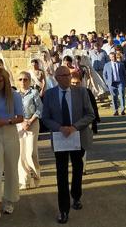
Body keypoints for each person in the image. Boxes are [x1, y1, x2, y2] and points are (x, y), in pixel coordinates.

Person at [42, 66, 95, 224]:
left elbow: (90, 114)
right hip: (60, 138)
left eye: (68, 75)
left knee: (78, 169)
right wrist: (59, 128)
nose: (66, 78)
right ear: (57, 78)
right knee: (61, 173)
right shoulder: (50, 94)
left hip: (78, 136)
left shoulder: (81, 92)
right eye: (63, 75)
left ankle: (76, 196)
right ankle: (63, 209)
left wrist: (74, 127)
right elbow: (45, 118)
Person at [0, 68, 24, 219]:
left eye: (0, 81)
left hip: (10, 133)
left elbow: (20, 117)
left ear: (6, 81)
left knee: (11, 168)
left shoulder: (15, 96)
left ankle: (10, 199)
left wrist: (6, 121)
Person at [16, 71, 43, 190]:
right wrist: (22, 122)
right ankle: (24, 180)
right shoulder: (15, 95)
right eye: (20, 79)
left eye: (25, 79)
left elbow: (39, 110)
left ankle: (36, 176)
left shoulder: (34, 93)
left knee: (31, 153)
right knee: (21, 153)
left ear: (29, 80)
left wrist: (29, 122)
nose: (23, 81)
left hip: (32, 123)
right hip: (19, 124)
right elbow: (13, 111)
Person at [103, 52, 126, 116]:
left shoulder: (121, 64)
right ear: (109, 57)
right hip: (111, 83)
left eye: (113, 56)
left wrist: (125, 83)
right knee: (114, 96)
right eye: (111, 57)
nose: (113, 58)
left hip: (120, 82)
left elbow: (124, 74)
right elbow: (104, 74)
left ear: (115, 56)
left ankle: (122, 110)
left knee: (122, 95)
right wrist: (107, 82)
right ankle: (116, 110)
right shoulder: (107, 65)